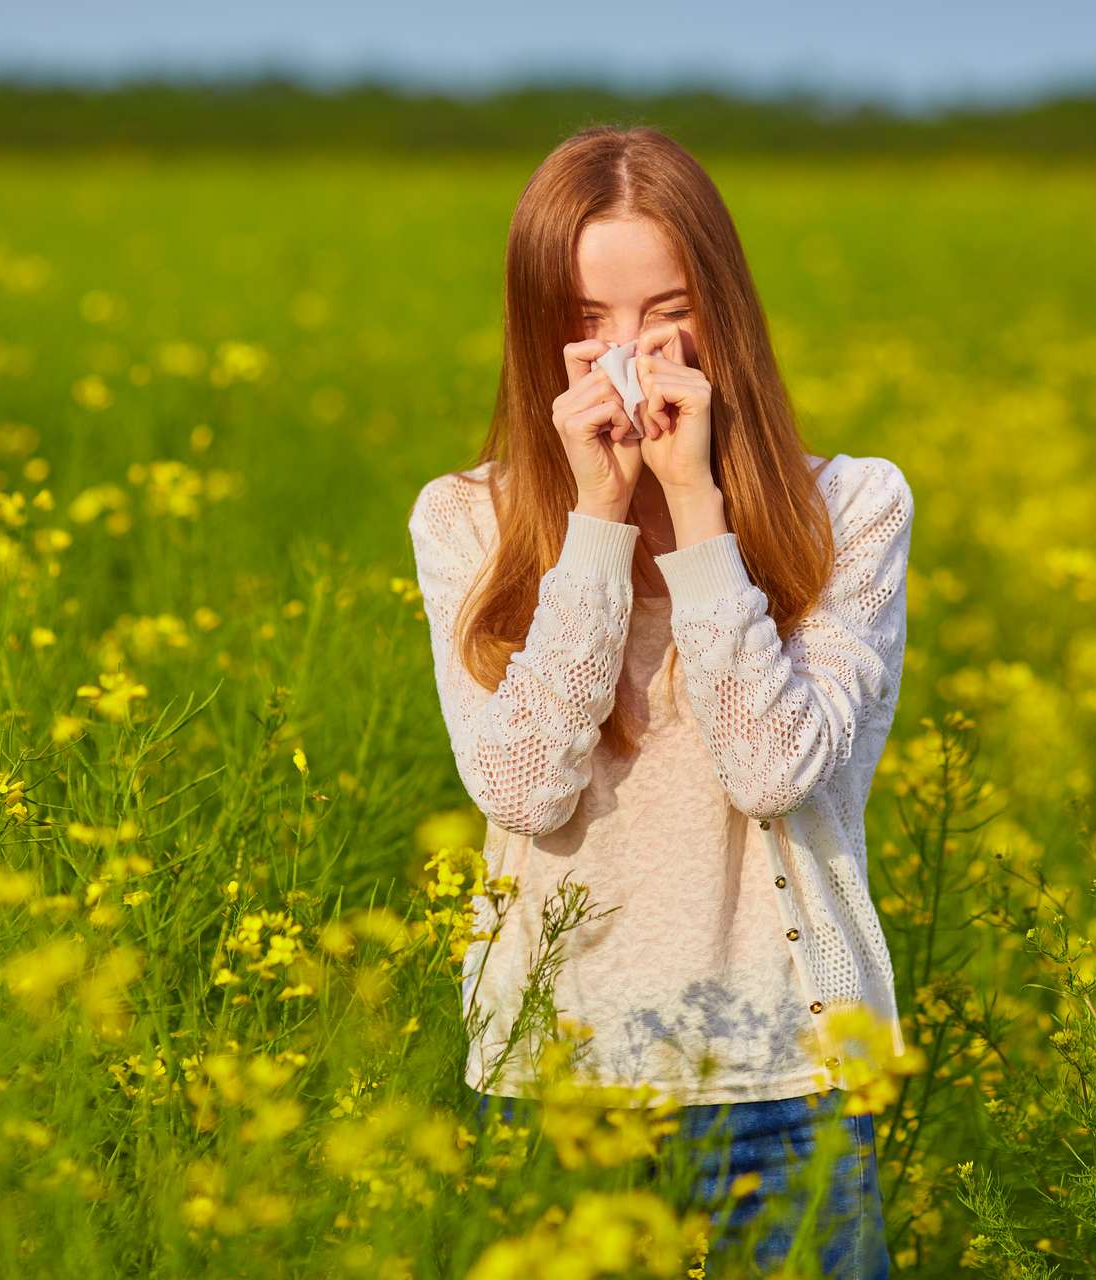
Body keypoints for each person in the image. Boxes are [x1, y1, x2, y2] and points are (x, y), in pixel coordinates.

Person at [407, 124, 911, 1278]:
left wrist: (697, 513)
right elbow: (525, 791)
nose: (624, 354)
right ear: (538, 332)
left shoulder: (855, 510)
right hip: (556, 1094)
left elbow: (773, 769)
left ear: (723, 315)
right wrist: (592, 526)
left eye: (662, 312)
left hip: (790, 1088)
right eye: (583, 321)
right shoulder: (466, 522)